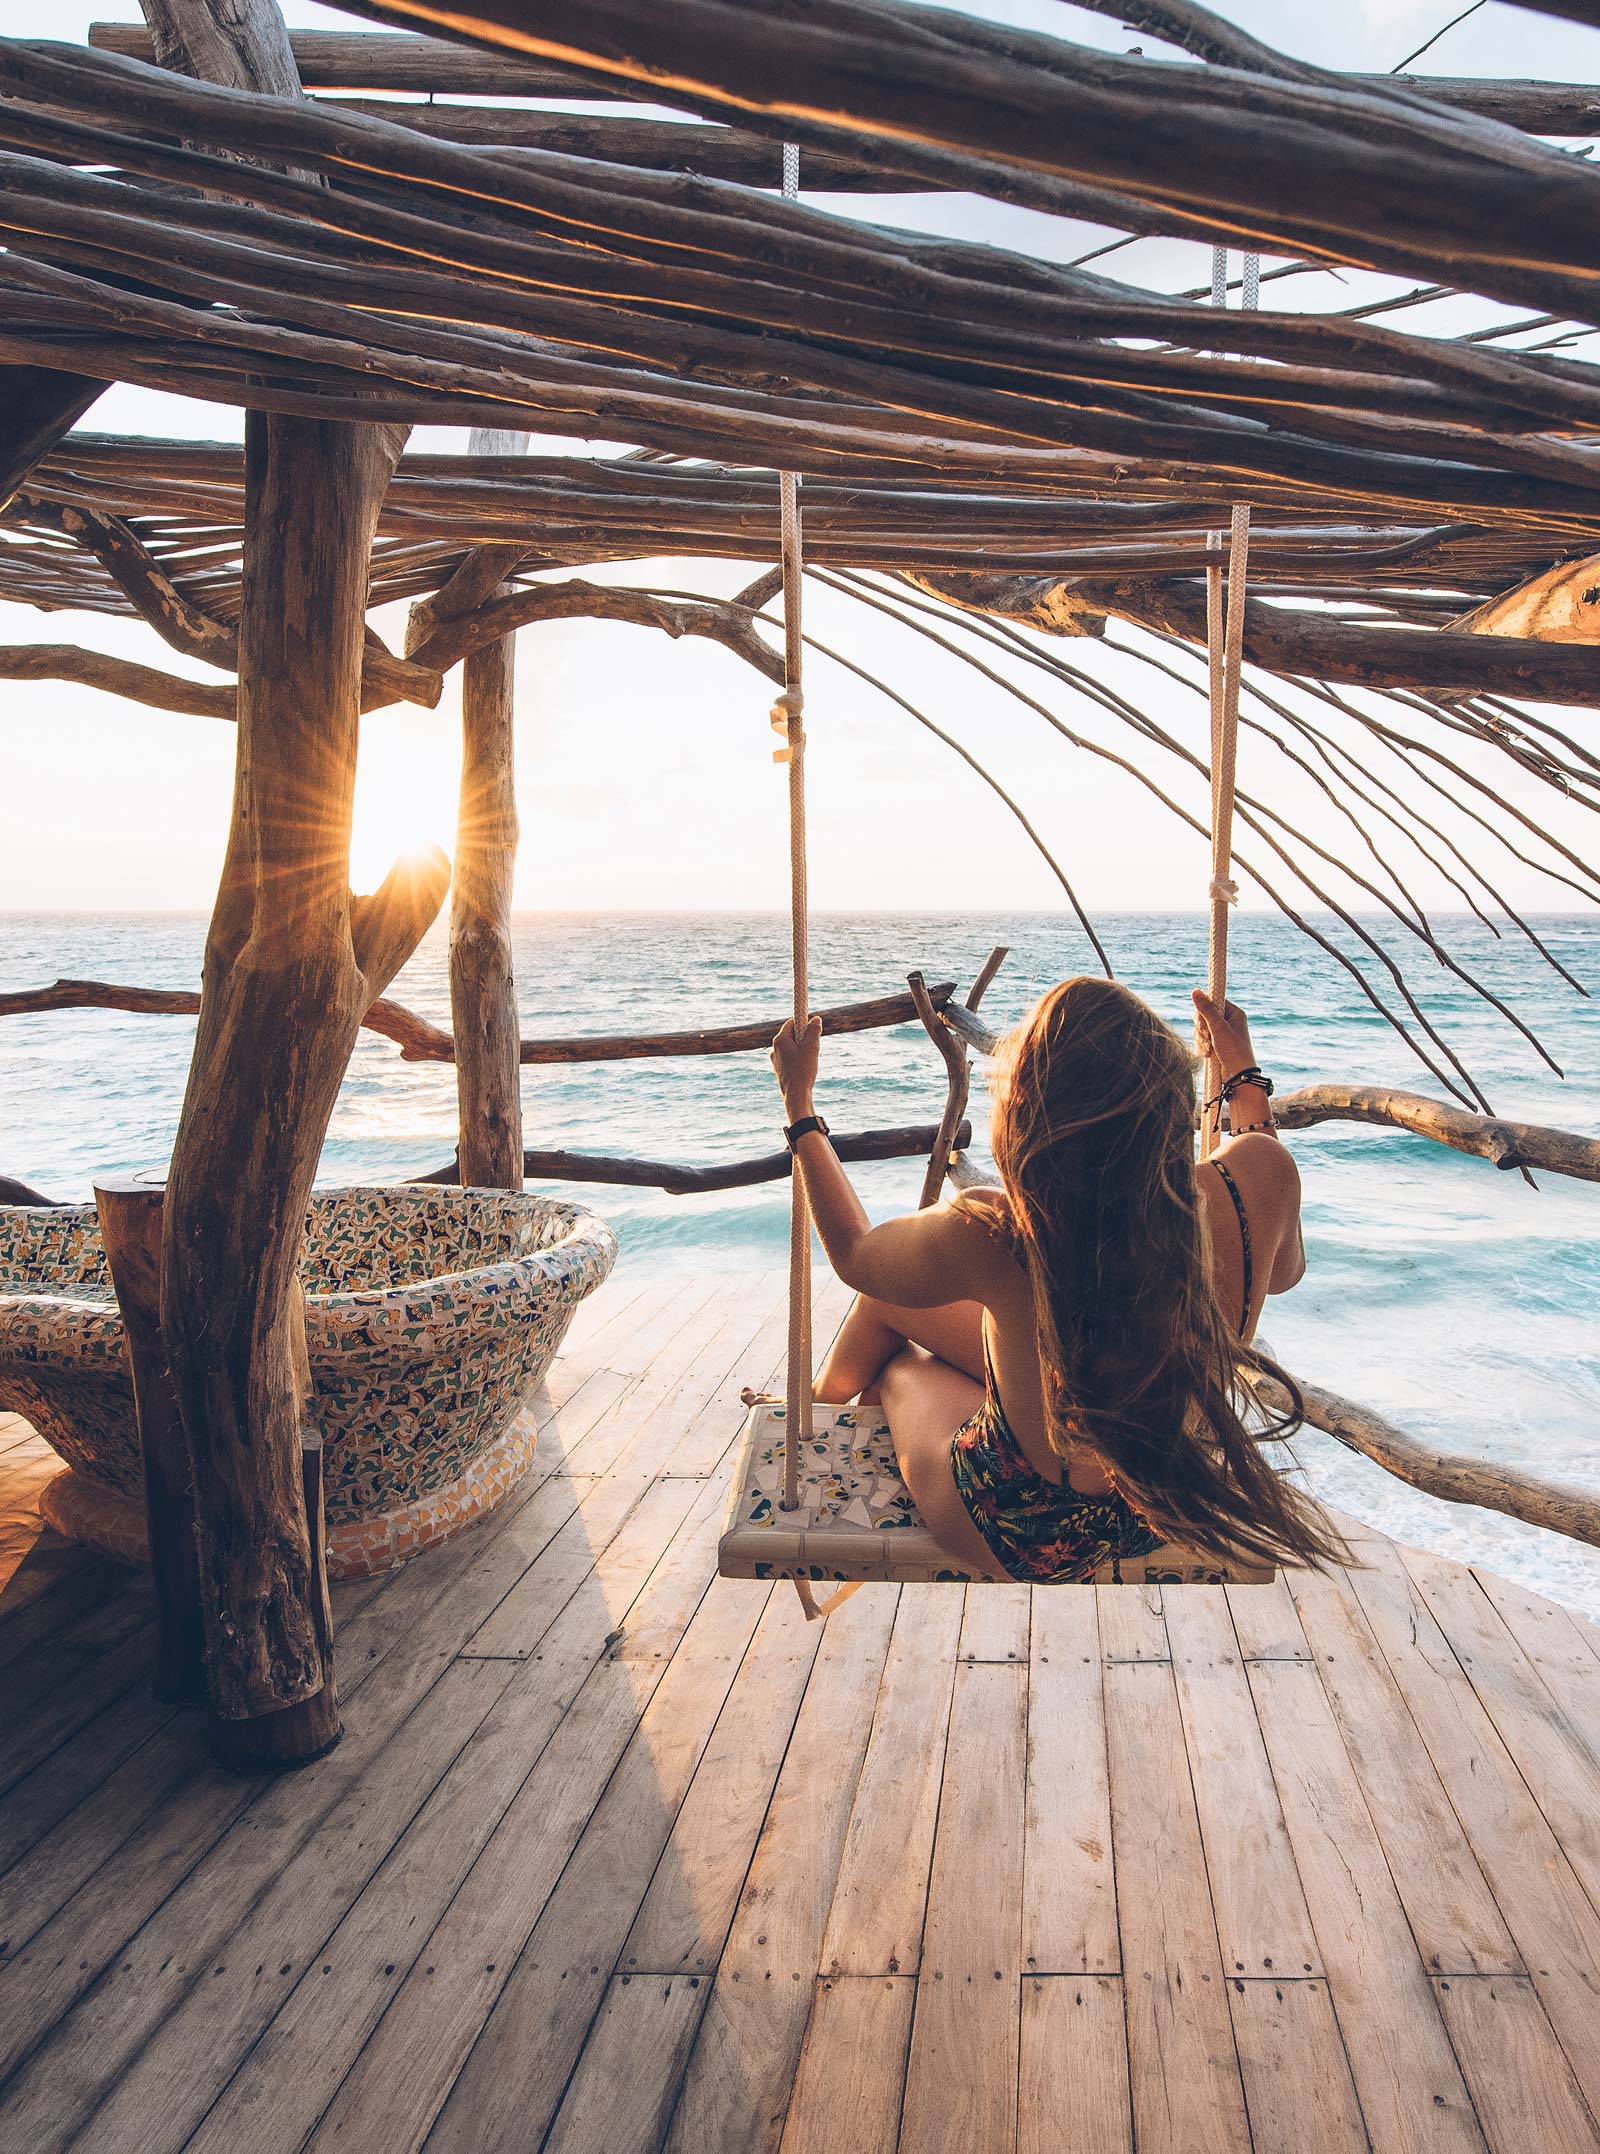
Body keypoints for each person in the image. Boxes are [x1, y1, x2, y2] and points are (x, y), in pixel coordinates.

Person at [768, 975, 1343, 1582]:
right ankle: (809, 1407)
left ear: (1029, 1117)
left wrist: (800, 1108)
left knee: (897, 1367)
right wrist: (1239, 1066)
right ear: (1170, 1098)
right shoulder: (1263, 1174)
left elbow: (858, 1256)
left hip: (1029, 1531)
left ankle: (812, 1421)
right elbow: (1283, 1273)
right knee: (888, 1311)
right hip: (1163, 1500)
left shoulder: (999, 1230)